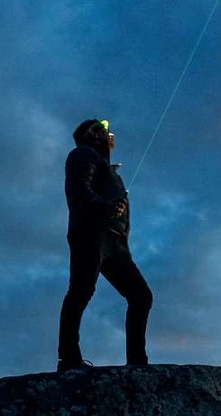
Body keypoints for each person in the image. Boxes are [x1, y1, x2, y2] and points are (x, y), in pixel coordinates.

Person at [57, 118, 153, 372]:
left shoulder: (105, 166)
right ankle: (68, 359)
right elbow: (79, 189)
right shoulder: (82, 154)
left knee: (140, 296)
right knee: (81, 291)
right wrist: (105, 207)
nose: (112, 135)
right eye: (106, 131)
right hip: (90, 233)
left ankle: (137, 362)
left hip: (115, 242)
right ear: (94, 135)